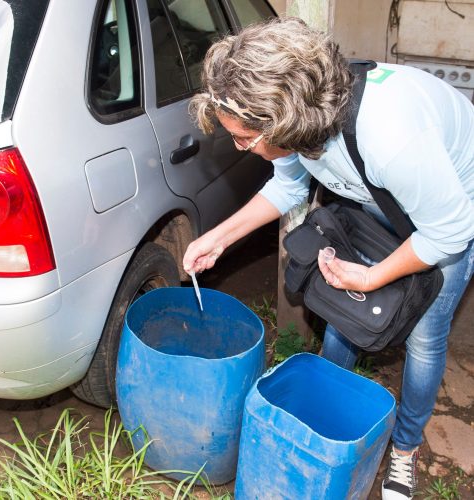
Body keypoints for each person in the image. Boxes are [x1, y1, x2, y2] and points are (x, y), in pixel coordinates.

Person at [182, 17, 473, 500]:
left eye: (243, 140)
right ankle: (319, 404)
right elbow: (288, 183)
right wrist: (220, 237)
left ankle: (404, 448)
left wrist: (376, 274)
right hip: (382, 196)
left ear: (284, 121)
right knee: (346, 307)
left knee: (424, 337)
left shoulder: (391, 138)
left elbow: (450, 231)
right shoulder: (301, 119)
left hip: (449, 209)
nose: (239, 148)